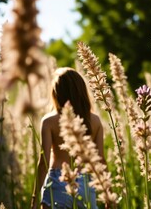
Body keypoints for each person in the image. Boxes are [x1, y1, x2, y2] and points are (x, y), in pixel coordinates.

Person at [31, 67, 105, 209]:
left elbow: (43, 162)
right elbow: (101, 160)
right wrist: (108, 193)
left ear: (56, 93)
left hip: (58, 183)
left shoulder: (49, 121)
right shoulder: (95, 121)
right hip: (86, 183)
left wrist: (34, 198)